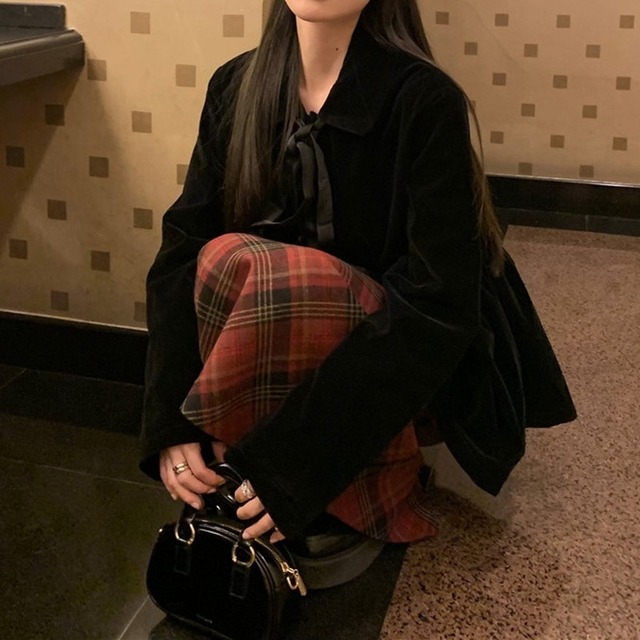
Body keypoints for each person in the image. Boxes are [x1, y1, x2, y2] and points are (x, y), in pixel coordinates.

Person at [139, 0, 576, 560]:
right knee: (223, 259)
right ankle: (241, 476)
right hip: (275, 348)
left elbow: (436, 307)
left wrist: (292, 469)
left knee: (270, 271)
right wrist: (172, 425)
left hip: (393, 365)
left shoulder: (424, 99)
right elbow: (182, 249)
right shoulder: (236, 86)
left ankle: (333, 479)